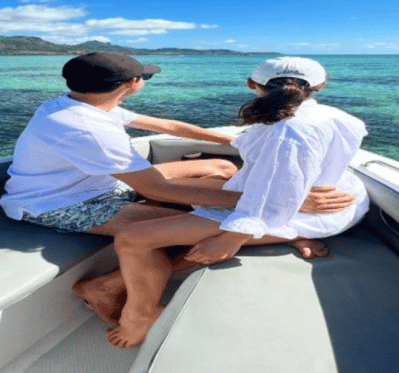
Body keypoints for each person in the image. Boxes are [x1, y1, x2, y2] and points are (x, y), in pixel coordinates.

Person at [0, 52, 355, 323]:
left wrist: (243, 143)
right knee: (191, 230)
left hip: (100, 182)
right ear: (131, 84)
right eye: (143, 77)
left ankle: (274, 224)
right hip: (61, 201)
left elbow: (171, 125)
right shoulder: (86, 128)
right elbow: (160, 189)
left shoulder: (87, 103)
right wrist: (288, 201)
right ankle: (108, 289)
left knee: (219, 166)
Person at [93, 56, 370, 348]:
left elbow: (275, 196)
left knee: (132, 238)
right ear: (318, 87)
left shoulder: (288, 131)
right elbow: (276, 177)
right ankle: (281, 237)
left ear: (252, 84)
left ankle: (135, 313)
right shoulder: (323, 116)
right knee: (190, 207)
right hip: (320, 197)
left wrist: (233, 238)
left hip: (304, 209)